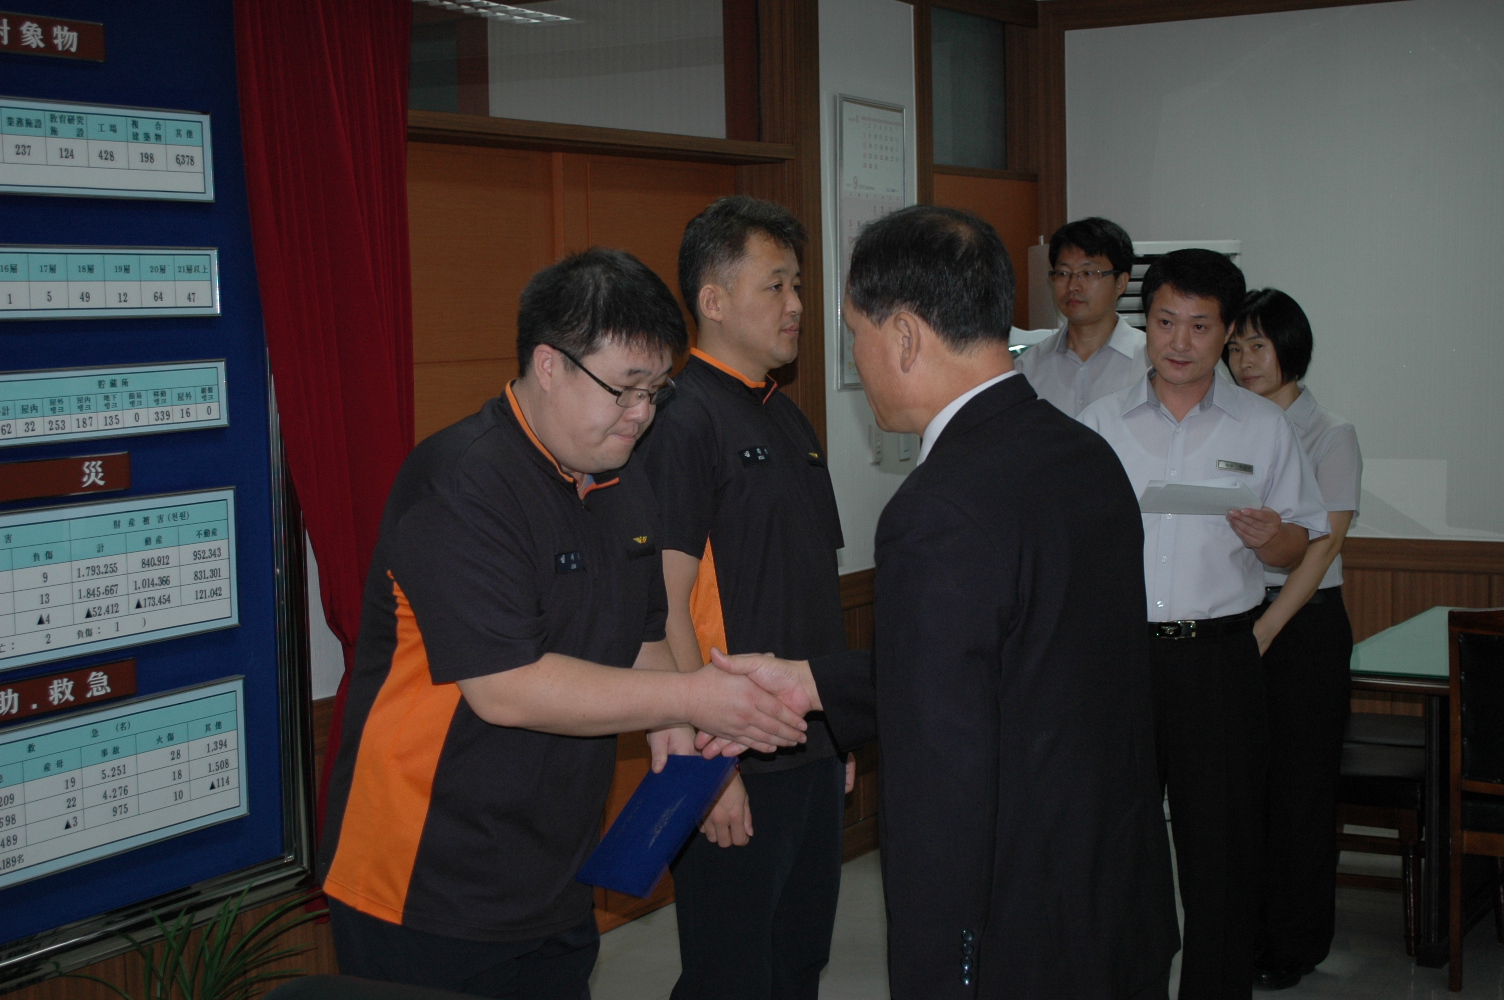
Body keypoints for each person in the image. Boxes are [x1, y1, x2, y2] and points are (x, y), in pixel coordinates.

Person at [705, 205, 1180, 999]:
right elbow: (1020, 666)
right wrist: (817, 682)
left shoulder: (938, 507)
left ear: (903, 336)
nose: (856, 358)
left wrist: (941, 969)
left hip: (1017, 931)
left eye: (855, 334)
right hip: (1113, 898)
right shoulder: (1084, 455)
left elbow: (941, 780)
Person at [316, 248, 810, 1000]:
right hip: (424, 875)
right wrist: (694, 698)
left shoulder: (620, 476)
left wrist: (681, 734)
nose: (641, 414)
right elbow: (506, 687)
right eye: (624, 389)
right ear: (548, 365)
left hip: (554, 865)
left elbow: (644, 638)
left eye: (655, 391)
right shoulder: (461, 484)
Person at [1078, 251, 1330, 1000]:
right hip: (1121, 660)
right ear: (1145, 323)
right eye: (1165, 322)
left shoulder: (1263, 427)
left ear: (1226, 334)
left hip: (1218, 658)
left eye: (1199, 326)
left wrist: (1271, 538)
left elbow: (1299, 544)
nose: (1179, 342)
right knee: (1118, 846)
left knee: (1221, 852)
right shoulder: (1098, 425)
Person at [637, 196, 852, 1000]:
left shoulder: (789, 417)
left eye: (797, 285)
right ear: (714, 299)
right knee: (731, 974)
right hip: (732, 751)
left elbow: (813, 589)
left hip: (809, 742)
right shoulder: (680, 419)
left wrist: (841, 726)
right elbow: (663, 604)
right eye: (776, 285)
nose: (796, 305)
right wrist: (705, 768)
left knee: (798, 961)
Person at [1224, 289, 1362, 991]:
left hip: (1302, 625)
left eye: (1259, 344)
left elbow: (1322, 545)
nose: (1245, 360)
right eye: (1235, 347)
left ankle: (1294, 943)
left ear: (1290, 348)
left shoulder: (1330, 433)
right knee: (1243, 789)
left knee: (1299, 792)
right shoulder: (1234, 427)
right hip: (1239, 617)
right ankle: (1243, 934)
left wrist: (1268, 627)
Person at [1013, 216, 1147, 416]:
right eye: (1063, 273)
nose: (1072, 286)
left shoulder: (1150, 362)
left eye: (1088, 273)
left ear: (1121, 282)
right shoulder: (1027, 368)